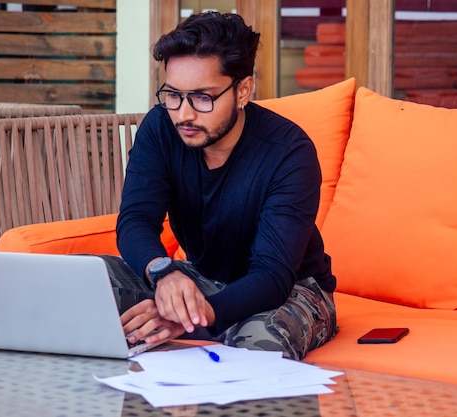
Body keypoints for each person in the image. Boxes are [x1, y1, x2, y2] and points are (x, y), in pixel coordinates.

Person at [112, 11, 337, 360]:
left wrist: (189, 317)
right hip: (203, 277)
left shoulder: (289, 152)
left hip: (291, 290)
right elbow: (136, 221)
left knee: (259, 344)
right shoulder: (161, 128)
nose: (184, 114)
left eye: (203, 97)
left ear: (243, 90)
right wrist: (163, 273)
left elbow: (272, 275)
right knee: (82, 284)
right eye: (173, 95)